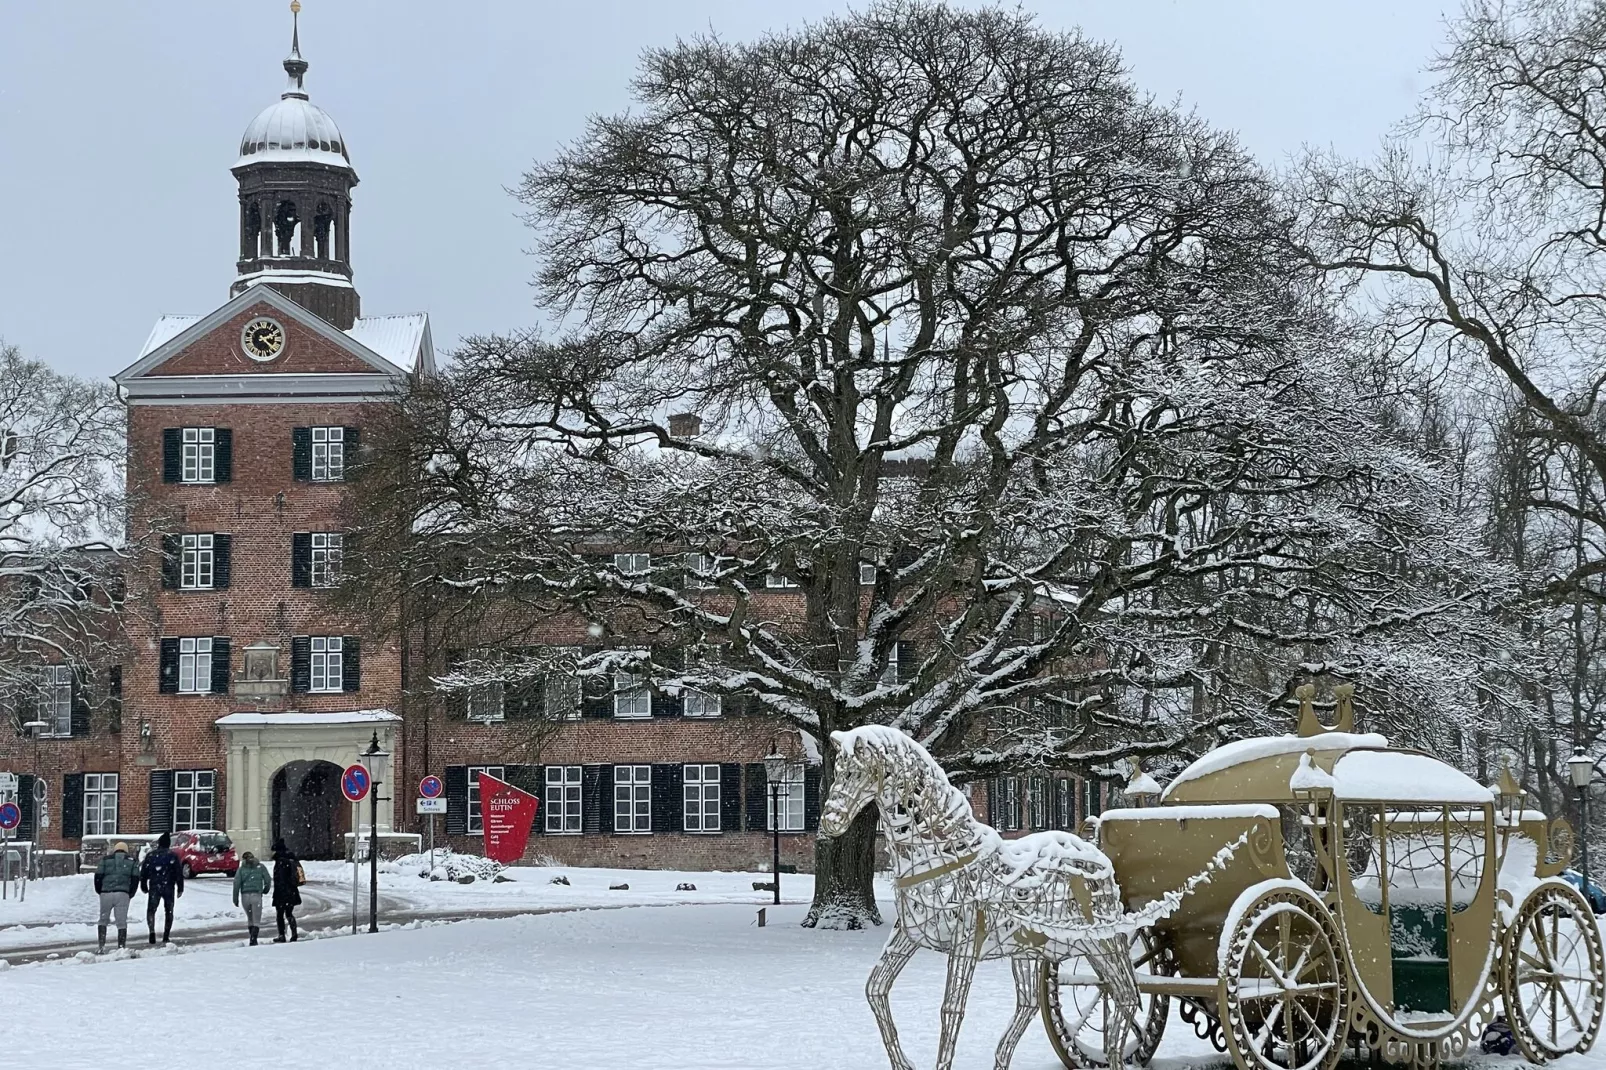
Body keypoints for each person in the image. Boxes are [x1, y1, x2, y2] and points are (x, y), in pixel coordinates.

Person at [139, 831, 185, 945]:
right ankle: (166, 935)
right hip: (168, 886)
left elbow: (144, 872)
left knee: (151, 910)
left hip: (155, 885)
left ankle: (152, 932)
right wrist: (180, 887)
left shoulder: (151, 855)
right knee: (168, 911)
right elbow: (178, 873)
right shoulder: (172, 856)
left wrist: (143, 884)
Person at [93, 842, 139, 953]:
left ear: (115, 850)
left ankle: (101, 946)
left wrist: (100, 890)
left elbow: (98, 876)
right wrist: (130, 893)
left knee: (103, 919)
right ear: (126, 850)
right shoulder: (132, 861)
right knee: (121, 921)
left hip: (106, 893)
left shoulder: (105, 860)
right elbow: (135, 879)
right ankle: (121, 947)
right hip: (122, 894)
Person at [232, 850, 272, 946]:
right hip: (256, 895)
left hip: (245, 896)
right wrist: (265, 889)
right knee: (256, 919)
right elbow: (268, 879)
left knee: (250, 918)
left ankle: (252, 937)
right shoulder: (260, 867)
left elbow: (236, 884)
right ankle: (253, 939)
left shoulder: (241, 870)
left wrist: (235, 898)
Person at [270, 838, 302, 943]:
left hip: (282, 893)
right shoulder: (290, 859)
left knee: (280, 914)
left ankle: (281, 935)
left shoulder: (281, 862)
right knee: (289, 913)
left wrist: (279, 893)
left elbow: (280, 879)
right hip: (292, 891)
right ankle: (294, 933)